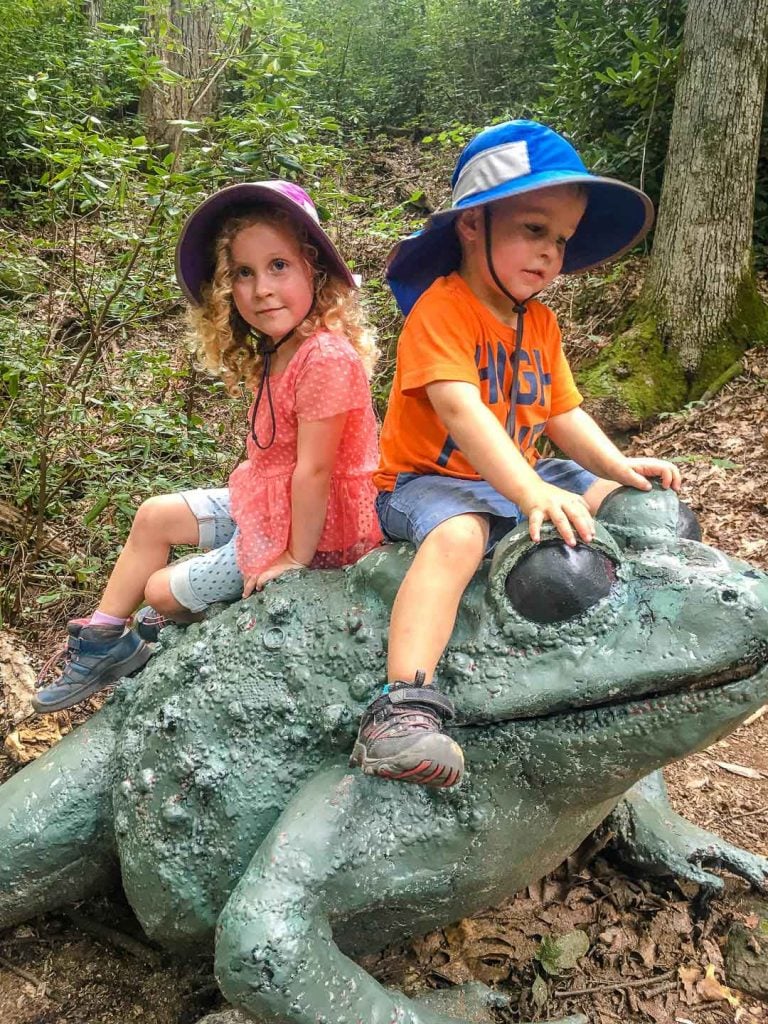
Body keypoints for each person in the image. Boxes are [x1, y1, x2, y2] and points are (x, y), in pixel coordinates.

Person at [348, 120, 681, 790]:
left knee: (635, 505)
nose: (550, 253)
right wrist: (530, 491)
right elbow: (460, 412)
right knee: (459, 534)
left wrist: (617, 469)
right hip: (429, 480)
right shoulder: (442, 311)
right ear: (473, 226)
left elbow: (562, 414)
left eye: (560, 239)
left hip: (521, 474)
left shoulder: (541, 322)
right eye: (534, 229)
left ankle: (646, 626)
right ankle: (401, 706)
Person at [34, 180, 382, 713]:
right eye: (243, 273)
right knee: (154, 517)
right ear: (227, 288)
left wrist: (292, 557)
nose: (261, 288)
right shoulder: (278, 349)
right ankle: (104, 638)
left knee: (160, 592)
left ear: (315, 270)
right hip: (271, 504)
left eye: (279, 266)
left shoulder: (325, 358)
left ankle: (171, 617)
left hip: (317, 528)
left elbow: (314, 473)